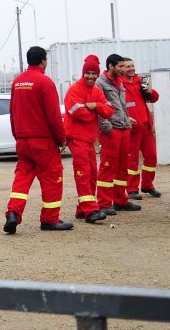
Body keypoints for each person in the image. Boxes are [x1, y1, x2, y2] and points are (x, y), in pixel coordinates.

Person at [3, 46, 73, 233]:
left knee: (22, 178)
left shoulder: (17, 82)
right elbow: (53, 116)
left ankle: (13, 213)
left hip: (23, 140)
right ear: (43, 61)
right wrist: (62, 139)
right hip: (43, 141)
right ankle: (50, 219)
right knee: (52, 178)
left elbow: (12, 112)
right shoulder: (44, 82)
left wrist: (18, 135)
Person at [63, 55, 113, 224]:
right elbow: (78, 112)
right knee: (83, 174)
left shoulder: (97, 91)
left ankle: (82, 209)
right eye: (88, 73)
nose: (91, 76)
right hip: (77, 138)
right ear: (83, 73)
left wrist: (94, 106)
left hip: (89, 139)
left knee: (92, 174)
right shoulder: (74, 89)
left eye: (94, 73)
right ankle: (91, 210)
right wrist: (95, 110)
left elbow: (108, 111)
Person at [95, 54, 140, 214]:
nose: (123, 69)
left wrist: (127, 120)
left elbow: (121, 105)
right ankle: (104, 203)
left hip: (124, 128)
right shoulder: (100, 83)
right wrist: (107, 128)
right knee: (108, 167)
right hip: (111, 130)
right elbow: (99, 108)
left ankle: (120, 200)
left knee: (122, 167)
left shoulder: (119, 81)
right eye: (120, 66)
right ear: (110, 66)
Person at [123, 59, 162, 199]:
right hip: (132, 129)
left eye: (132, 66)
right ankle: (132, 188)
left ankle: (147, 185)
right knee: (132, 160)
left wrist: (151, 91)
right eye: (128, 66)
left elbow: (154, 98)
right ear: (121, 68)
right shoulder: (119, 84)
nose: (131, 69)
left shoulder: (140, 81)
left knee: (152, 157)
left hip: (146, 126)